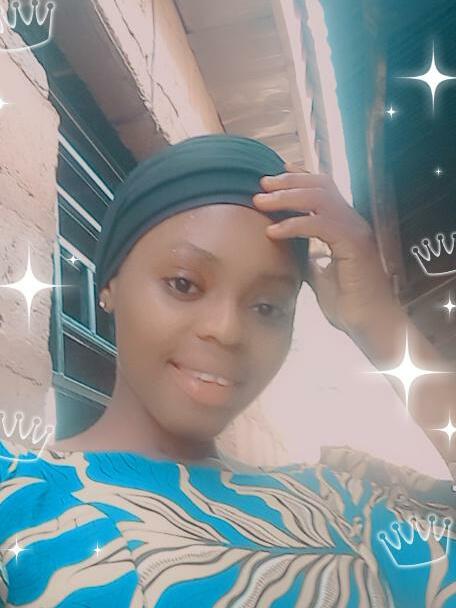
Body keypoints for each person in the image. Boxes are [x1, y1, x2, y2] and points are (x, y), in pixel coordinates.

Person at [0, 134, 454, 607]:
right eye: (183, 284)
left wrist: (380, 323)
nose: (227, 330)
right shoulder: (17, 498)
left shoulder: (342, 503)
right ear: (109, 283)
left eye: (267, 307)